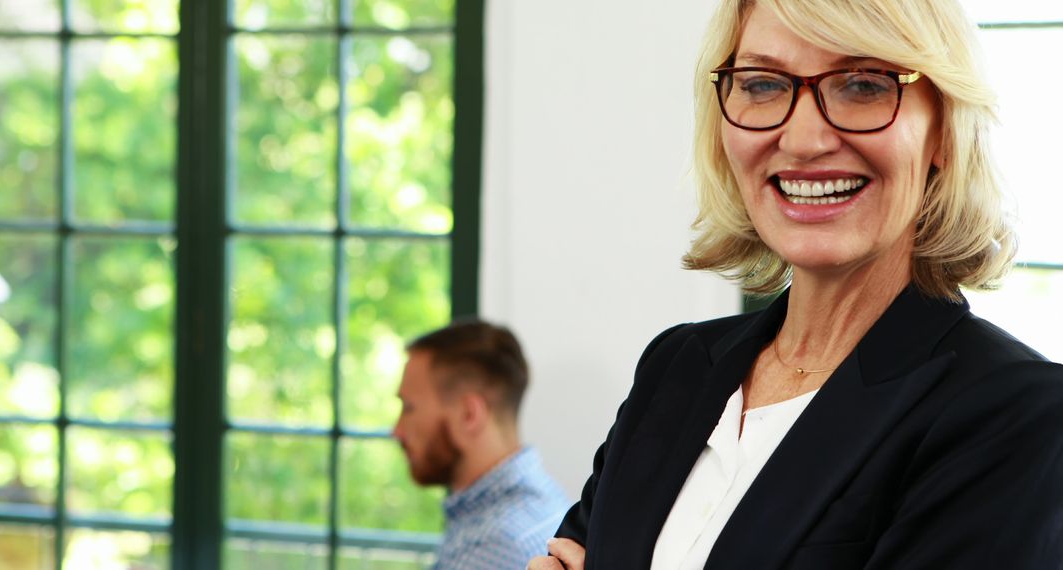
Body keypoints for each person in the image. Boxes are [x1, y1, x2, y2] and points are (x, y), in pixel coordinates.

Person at [529, 0, 1063, 568]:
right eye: (761, 85)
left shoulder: (1015, 412)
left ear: (944, 133)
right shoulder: (676, 365)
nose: (804, 139)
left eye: (863, 85)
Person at [393, 319, 569, 569]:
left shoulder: (491, 547)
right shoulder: (542, 496)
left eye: (409, 408)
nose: (396, 431)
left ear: (469, 415)